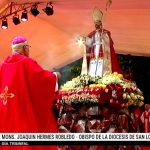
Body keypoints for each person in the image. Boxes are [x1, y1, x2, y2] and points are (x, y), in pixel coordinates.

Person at [0, 36, 59, 150]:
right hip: (22, 112)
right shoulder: (27, 62)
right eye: (28, 47)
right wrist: (55, 76)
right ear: (25, 48)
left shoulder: (3, 66)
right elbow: (42, 80)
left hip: (5, 112)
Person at [85, 7, 122, 77]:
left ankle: (102, 76)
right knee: (94, 63)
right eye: (95, 23)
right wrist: (84, 40)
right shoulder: (92, 34)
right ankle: (93, 76)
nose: (96, 24)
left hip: (102, 51)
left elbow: (109, 43)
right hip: (94, 51)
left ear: (101, 23)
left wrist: (104, 38)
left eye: (97, 23)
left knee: (101, 63)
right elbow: (89, 43)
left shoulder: (105, 32)